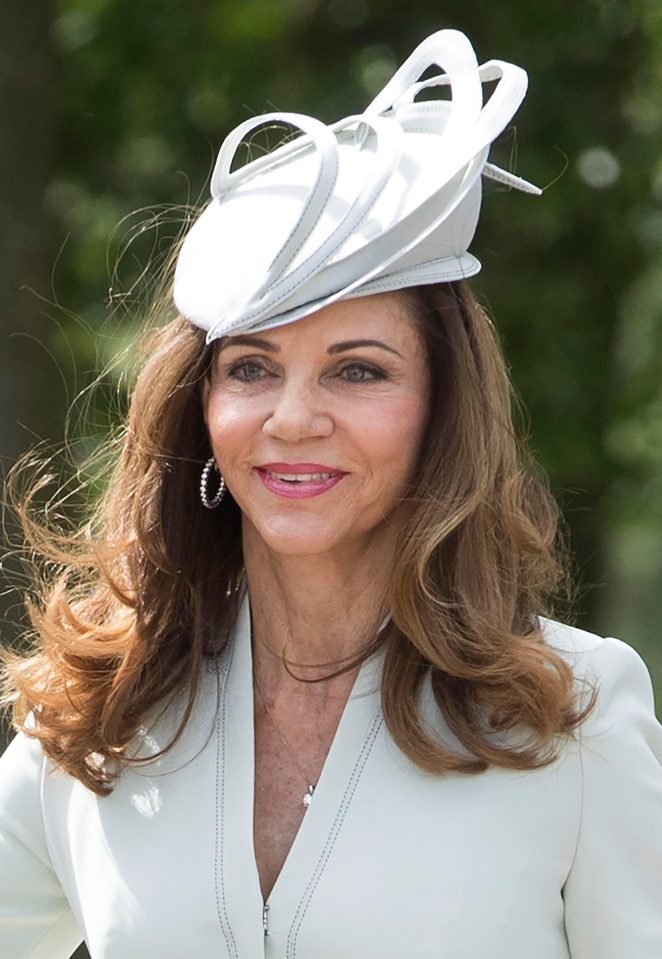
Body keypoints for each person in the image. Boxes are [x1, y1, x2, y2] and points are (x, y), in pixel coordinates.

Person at [1, 28, 661, 959]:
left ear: (441, 410)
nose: (294, 417)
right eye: (252, 368)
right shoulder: (100, 711)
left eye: (357, 371)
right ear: (202, 405)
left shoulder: (575, 714)